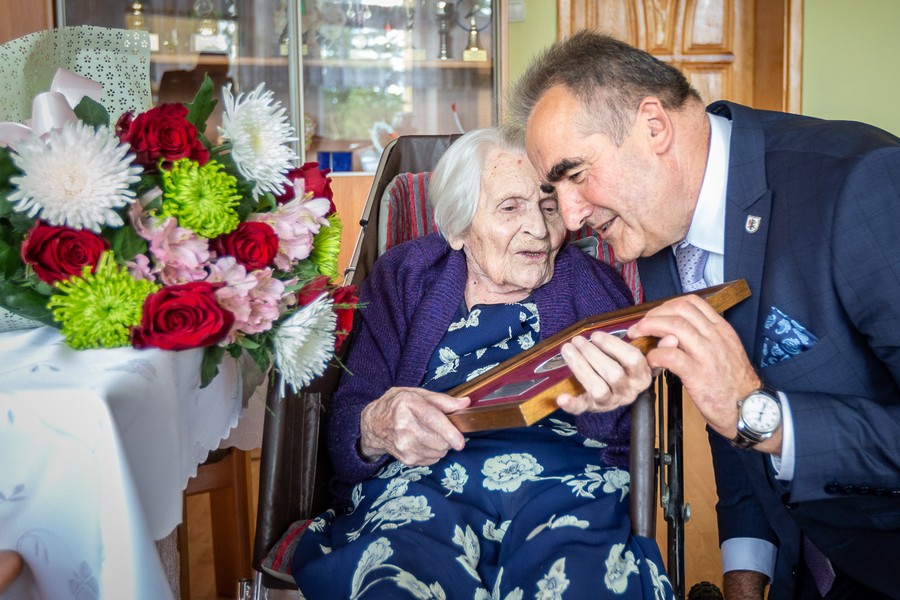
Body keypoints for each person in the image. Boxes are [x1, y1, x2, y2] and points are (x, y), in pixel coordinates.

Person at [509, 30, 900, 600]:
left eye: (576, 174)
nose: (568, 217)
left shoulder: (865, 185)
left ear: (653, 126)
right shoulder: (664, 231)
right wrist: (747, 570)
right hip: (807, 566)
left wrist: (761, 415)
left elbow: (744, 412)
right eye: (555, 190)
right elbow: (727, 417)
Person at [285, 128, 673, 599]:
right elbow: (353, 415)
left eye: (549, 206)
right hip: (423, 482)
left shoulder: (591, 285)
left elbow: (624, 433)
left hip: (565, 481)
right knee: (394, 574)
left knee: (581, 577)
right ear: (458, 227)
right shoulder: (404, 276)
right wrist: (377, 426)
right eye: (510, 207)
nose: (539, 228)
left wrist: (611, 401)